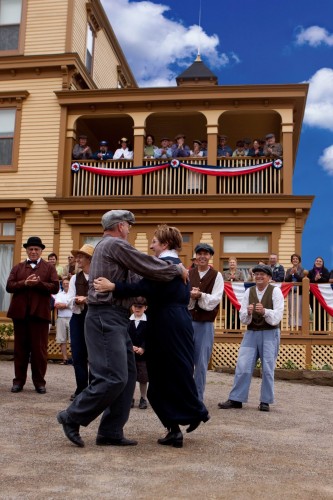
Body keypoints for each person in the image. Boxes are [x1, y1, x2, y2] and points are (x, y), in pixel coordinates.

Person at [57, 210, 186, 448]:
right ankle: (72, 416)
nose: (130, 229)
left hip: (115, 318)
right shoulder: (114, 244)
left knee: (128, 376)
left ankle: (110, 431)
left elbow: (137, 282)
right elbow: (146, 264)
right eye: (128, 225)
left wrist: (129, 288)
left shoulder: (113, 250)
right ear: (119, 226)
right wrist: (175, 269)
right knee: (113, 377)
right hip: (105, 316)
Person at [94, 224, 210, 448]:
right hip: (169, 321)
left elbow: (143, 286)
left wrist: (113, 286)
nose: (151, 245)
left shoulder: (167, 264)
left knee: (168, 374)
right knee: (166, 375)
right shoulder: (173, 265)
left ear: (165, 244)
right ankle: (175, 429)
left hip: (168, 322)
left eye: (154, 241)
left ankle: (194, 413)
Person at [218, 264, 284, 412]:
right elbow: (243, 317)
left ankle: (265, 401)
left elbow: (278, 316)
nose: (259, 277)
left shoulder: (276, 291)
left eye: (263, 274)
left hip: (269, 332)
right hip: (251, 332)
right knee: (243, 365)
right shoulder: (249, 291)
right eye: (257, 274)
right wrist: (247, 313)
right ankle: (236, 399)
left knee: (267, 368)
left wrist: (265, 311)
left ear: (269, 277)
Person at [6, 236, 59, 393]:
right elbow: (9, 286)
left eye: (36, 249)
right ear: (27, 251)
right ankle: (18, 382)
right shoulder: (18, 267)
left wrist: (39, 284)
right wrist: (25, 283)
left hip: (40, 315)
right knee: (20, 350)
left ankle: (39, 383)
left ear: (41, 251)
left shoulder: (49, 268)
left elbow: (55, 287)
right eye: (31, 249)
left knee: (39, 351)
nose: (33, 251)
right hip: (20, 315)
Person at [189, 243, 224, 401]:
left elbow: (216, 299)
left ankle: (197, 398)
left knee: (201, 364)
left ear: (210, 256)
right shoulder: (189, 273)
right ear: (196, 256)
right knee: (185, 361)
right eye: (199, 253)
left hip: (205, 324)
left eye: (206, 254)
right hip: (187, 322)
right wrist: (190, 296)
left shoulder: (217, 276)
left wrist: (201, 296)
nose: (202, 256)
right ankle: (185, 396)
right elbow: (182, 296)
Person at [67, 244, 94, 401]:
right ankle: (81, 388)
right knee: (78, 355)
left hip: (94, 319)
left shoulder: (99, 277)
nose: (77, 259)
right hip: (77, 318)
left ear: (89, 259)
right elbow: (69, 298)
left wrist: (88, 300)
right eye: (77, 256)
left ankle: (93, 388)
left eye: (80, 256)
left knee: (94, 355)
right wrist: (77, 301)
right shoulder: (74, 279)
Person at [128, 297, 149, 410]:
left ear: (145, 308)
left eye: (140, 307)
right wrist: (130, 346)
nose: (137, 309)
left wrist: (143, 348)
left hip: (143, 355)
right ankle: (130, 398)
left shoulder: (148, 321)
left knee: (143, 378)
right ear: (132, 307)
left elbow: (150, 336)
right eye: (135, 306)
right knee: (130, 377)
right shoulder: (128, 321)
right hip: (130, 354)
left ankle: (143, 398)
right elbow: (125, 335)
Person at [53, 276, 72, 364]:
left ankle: (75, 359)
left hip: (72, 318)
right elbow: (57, 305)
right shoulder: (59, 294)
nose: (65, 285)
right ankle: (65, 359)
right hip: (61, 318)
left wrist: (63, 305)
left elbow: (74, 305)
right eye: (64, 283)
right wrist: (67, 305)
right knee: (62, 339)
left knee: (73, 340)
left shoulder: (73, 294)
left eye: (67, 283)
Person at [222, 257, 245, 331]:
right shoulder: (224, 273)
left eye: (233, 262)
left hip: (237, 295)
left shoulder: (240, 273)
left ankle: (237, 329)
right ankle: (227, 329)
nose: (232, 264)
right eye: (230, 262)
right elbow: (222, 283)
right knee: (228, 312)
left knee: (237, 311)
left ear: (236, 264)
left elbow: (242, 282)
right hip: (227, 296)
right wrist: (229, 279)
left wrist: (235, 278)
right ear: (228, 264)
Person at [308, 256, 330, 332]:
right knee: (316, 313)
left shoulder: (325, 271)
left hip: (323, 295)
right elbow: (308, 281)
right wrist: (315, 279)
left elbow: (327, 280)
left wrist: (320, 278)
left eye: (320, 261)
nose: (318, 262)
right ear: (314, 262)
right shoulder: (310, 272)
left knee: (323, 313)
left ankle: (324, 332)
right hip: (313, 296)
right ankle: (316, 331)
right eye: (317, 261)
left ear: (322, 263)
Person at [284, 253, 304, 329]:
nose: (295, 260)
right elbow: (286, 280)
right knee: (291, 310)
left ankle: (299, 327)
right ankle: (292, 327)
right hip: (291, 292)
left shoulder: (302, 270)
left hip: (299, 293)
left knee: (299, 310)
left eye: (296, 259)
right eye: (293, 259)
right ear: (291, 261)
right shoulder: (289, 270)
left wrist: (295, 274)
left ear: (299, 261)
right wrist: (290, 274)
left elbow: (302, 279)